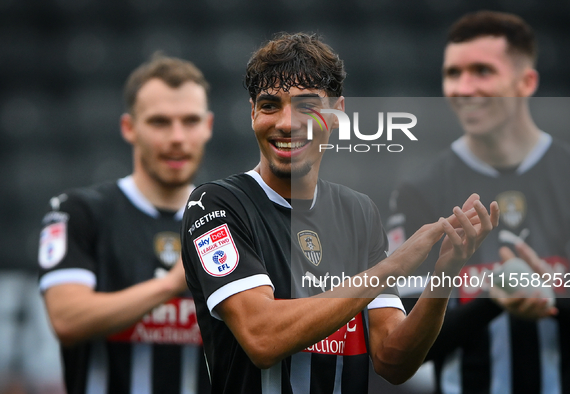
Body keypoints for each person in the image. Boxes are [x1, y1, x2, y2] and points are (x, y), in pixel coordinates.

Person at [180, 32, 499, 394]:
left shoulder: (358, 212)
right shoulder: (216, 204)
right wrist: (391, 267)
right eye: (270, 105)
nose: (287, 123)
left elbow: (393, 361)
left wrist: (444, 274)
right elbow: (262, 337)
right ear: (253, 113)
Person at [387, 11, 570, 394]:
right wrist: (492, 298)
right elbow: (401, 348)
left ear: (526, 82)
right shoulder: (420, 189)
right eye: (453, 74)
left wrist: (550, 297)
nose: (463, 88)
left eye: (482, 71)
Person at [38, 54, 213, 394]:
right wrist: (171, 284)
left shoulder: (229, 221)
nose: (178, 137)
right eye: (160, 122)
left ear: (208, 126)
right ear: (129, 128)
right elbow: (66, 319)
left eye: (190, 121)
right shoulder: (78, 212)